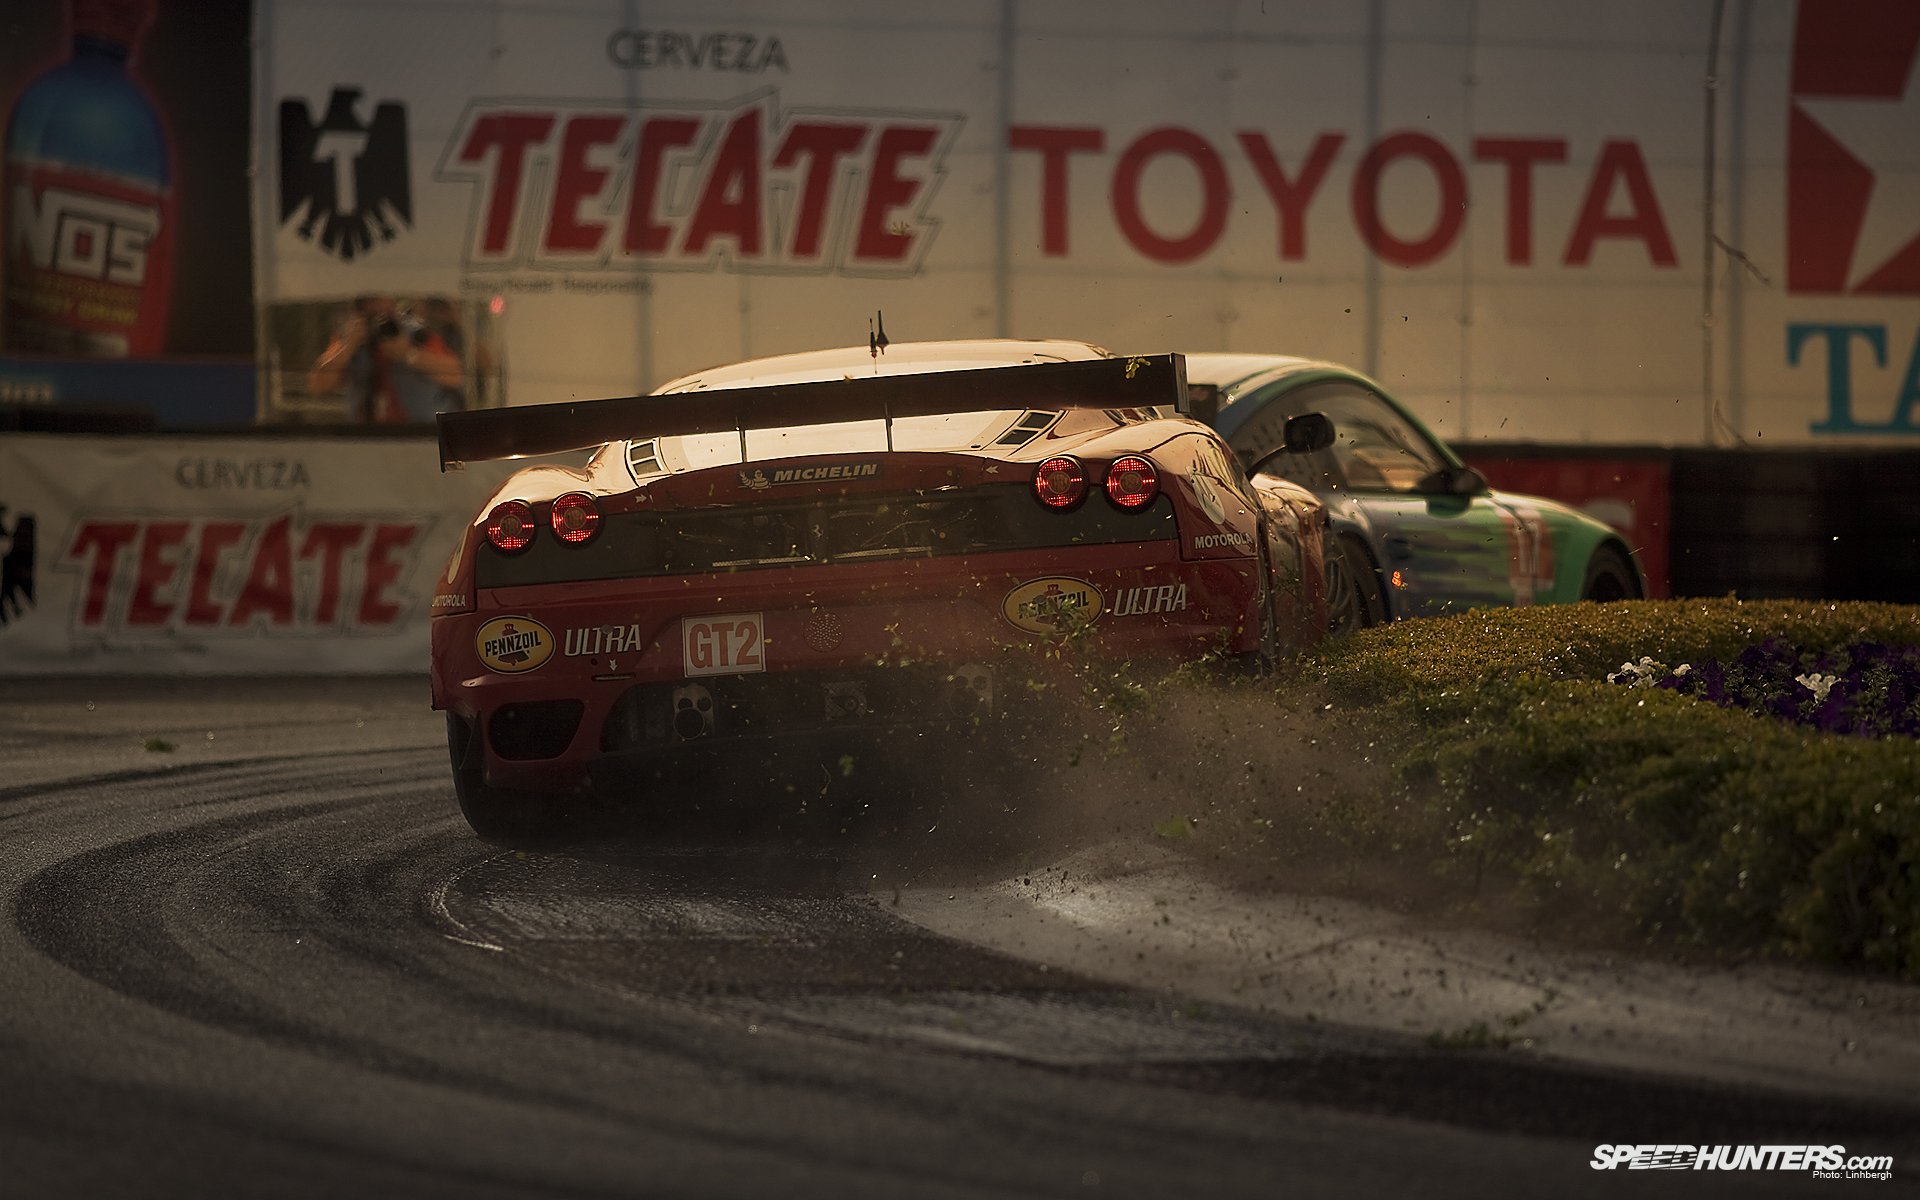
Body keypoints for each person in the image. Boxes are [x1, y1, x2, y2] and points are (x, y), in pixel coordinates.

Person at [307, 294, 465, 424]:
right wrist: (348, 348)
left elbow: (456, 376)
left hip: (416, 433)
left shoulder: (418, 335)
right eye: (372, 316)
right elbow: (317, 386)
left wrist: (408, 354)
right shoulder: (350, 339)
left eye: (386, 315)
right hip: (367, 435)